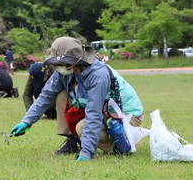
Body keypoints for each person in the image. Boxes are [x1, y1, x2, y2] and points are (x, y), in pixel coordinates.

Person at [10, 36, 144, 161]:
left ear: (73, 62)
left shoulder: (98, 75)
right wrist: (27, 121)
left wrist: (86, 153)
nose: (58, 66)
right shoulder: (65, 72)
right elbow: (46, 95)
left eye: (62, 62)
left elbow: (93, 114)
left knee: (82, 128)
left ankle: (124, 144)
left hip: (126, 115)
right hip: (104, 111)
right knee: (61, 94)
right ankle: (73, 140)